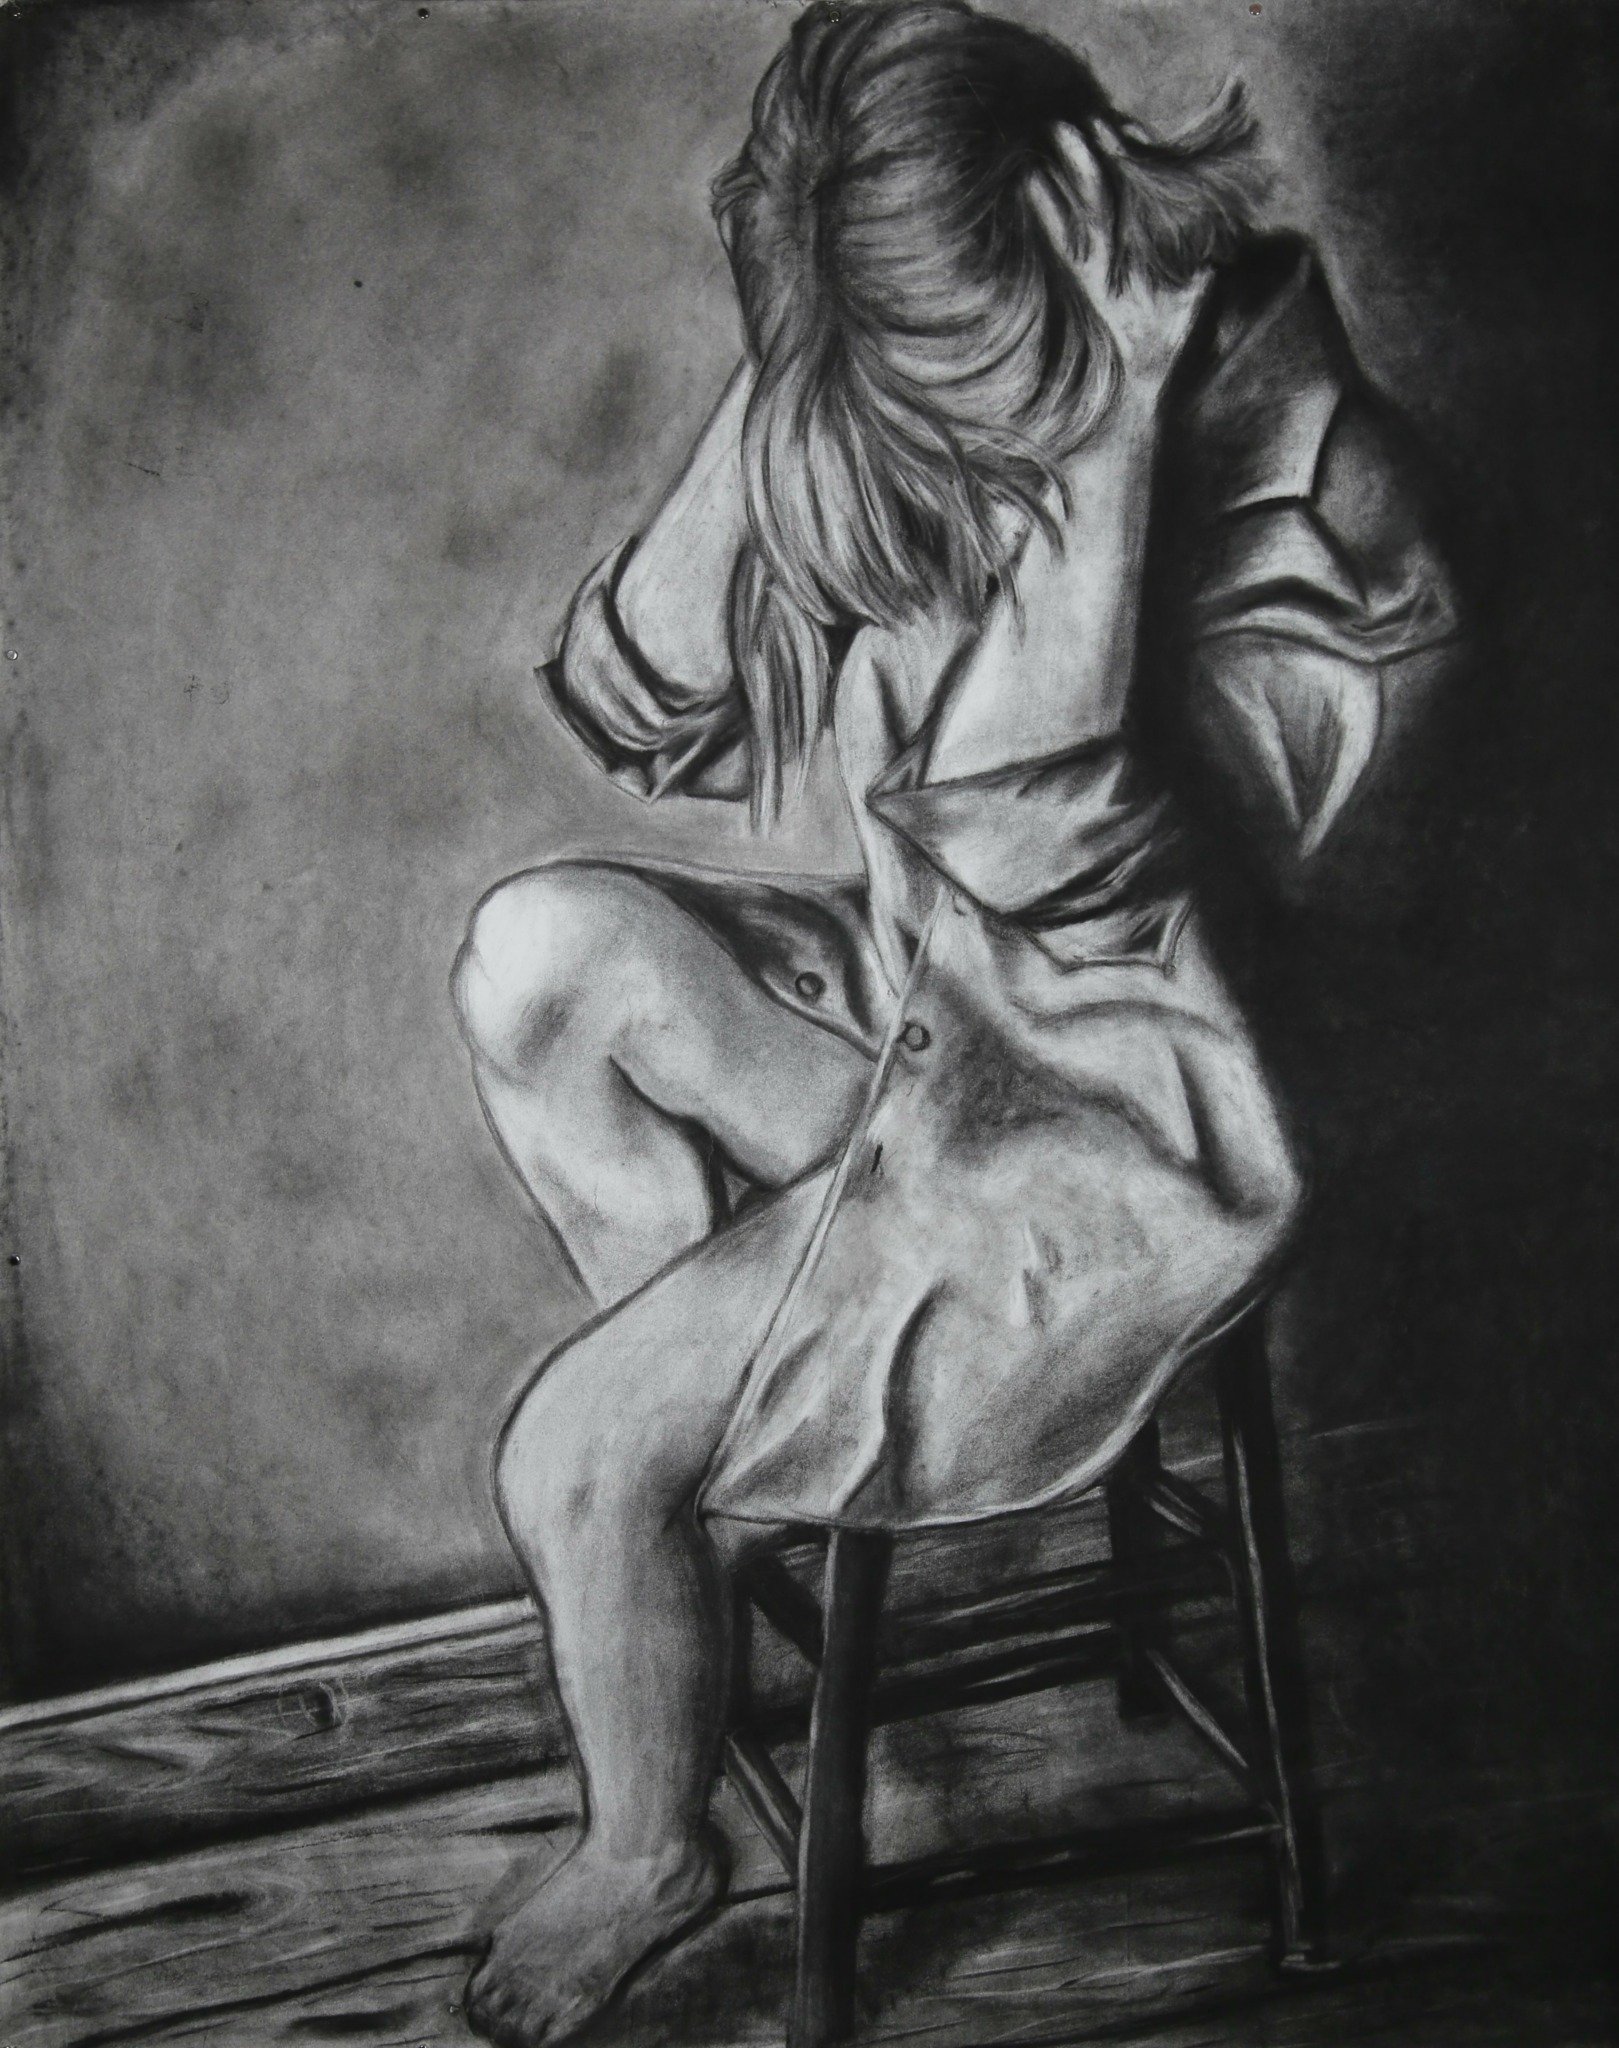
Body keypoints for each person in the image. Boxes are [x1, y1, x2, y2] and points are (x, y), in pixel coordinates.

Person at [451, 4, 1458, 2041]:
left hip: (1119, 1137)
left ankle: (651, 1833)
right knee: (536, 957)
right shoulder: (932, 355)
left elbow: (1029, 825)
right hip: (937, 1036)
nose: (910, 424)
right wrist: (798, 344)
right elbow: (637, 681)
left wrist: (1111, 437)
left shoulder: (1285, 453)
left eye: (936, 364)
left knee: (570, 1445)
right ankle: (719, 1456)